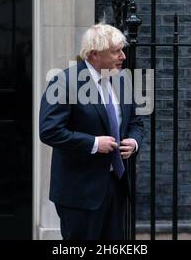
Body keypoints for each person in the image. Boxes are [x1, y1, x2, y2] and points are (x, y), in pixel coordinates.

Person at [39, 23, 144, 240]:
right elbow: (49, 130)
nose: (123, 56)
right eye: (116, 51)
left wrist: (134, 142)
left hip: (115, 185)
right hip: (79, 191)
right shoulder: (64, 82)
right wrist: (94, 144)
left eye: (122, 50)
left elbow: (135, 122)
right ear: (94, 54)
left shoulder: (121, 80)